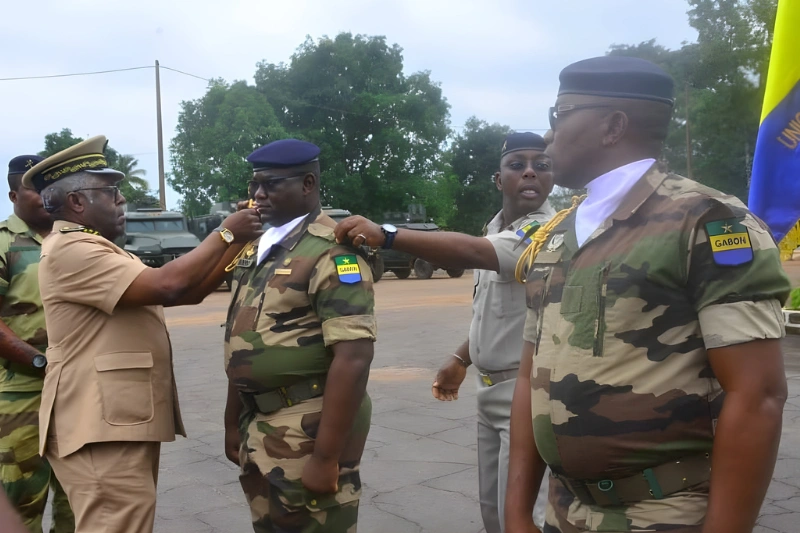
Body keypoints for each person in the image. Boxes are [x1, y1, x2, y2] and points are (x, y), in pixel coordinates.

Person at [504, 56, 791, 533]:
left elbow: (757, 394)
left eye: (560, 115)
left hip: (663, 514)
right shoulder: (557, 233)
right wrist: (516, 514)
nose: (549, 135)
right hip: (564, 511)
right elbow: (529, 375)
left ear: (612, 126)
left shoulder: (706, 221)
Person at [21, 135, 263, 533]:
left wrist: (241, 240)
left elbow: (190, 292)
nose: (120, 200)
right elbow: (169, 284)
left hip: (112, 421)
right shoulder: (72, 249)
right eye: (110, 191)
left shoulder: (96, 247)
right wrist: (224, 233)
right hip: (97, 425)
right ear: (77, 202)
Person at [335, 132, 554, 531]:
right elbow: (501, 313)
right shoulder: (498, 227)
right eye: (517, 164)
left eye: (541, 164)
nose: (529, 173)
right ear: (498, 178)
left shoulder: (544, 229)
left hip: (526, 394)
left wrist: (387, 234)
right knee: (494, 514)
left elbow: (473, 252)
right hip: (490, 391)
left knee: (525, 518)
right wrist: (461, 357)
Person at [223, 139, 377, 533]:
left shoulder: (333, 252)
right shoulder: (262, 248)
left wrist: (326, 457)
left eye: (271, 184)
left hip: (306, 428)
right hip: (258, 424)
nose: (259, 195)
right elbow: (243, 342)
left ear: (308, 183)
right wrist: (231, 423)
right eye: (255, 185)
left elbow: (354, 357)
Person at [0, 155, 74, 533]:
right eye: (34, 187)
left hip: (77, 391)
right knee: (22, 499)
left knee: (79, 500)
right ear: (13, 194)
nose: (45, 195)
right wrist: (40, 363)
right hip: (23, 394)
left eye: (50, 186)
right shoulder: (4, 242)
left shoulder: (75, 239)